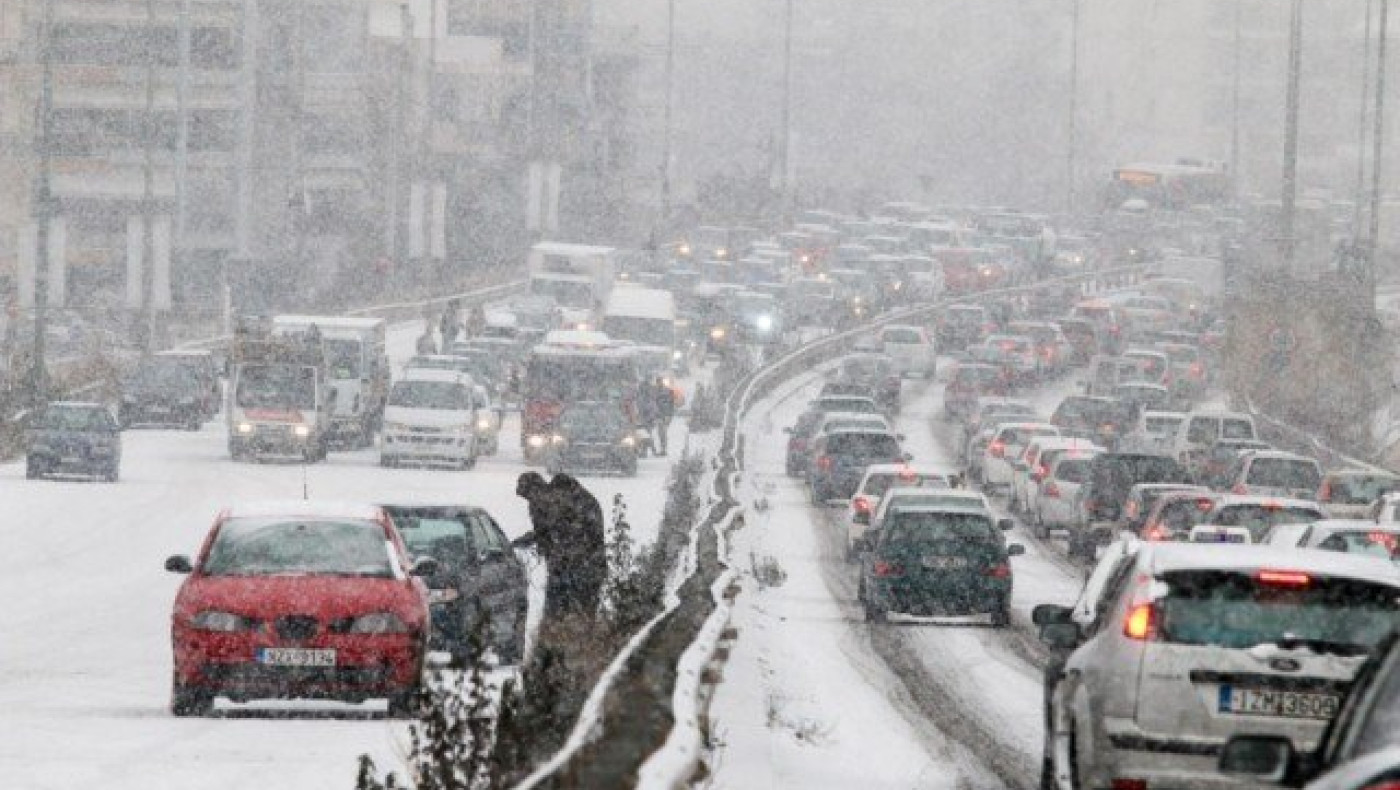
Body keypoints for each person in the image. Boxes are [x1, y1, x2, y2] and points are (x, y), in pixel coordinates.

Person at [514, 472, 607, 620]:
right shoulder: (561, 501)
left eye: (530, 496)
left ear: (538, 490)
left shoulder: (568, 502)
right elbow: (548, 531)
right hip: (577, 568)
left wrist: (557, 553)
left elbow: (568, 535)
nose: (530, 502)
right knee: (573, 618)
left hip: (579, 570)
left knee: (567, 617)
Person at [652, 376, 675, 456]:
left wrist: (669, 415)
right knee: (660, 433)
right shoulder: (654, 391)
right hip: (658, 415)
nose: (659, 383)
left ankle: (663, 449)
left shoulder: (667, 391)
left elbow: (671, 404)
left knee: (662, 433)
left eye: (659, 382)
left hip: (663, 415)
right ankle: (660, 449)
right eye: (658, 382)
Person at [636, 380, 658, 455]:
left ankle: (648, 451)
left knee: (646, 435)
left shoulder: (647, 397)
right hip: (643, 419)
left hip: (647, 420)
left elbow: (653, 408)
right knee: (645, 436)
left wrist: (649, 418)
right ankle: (649, 451)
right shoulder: (641, 397)